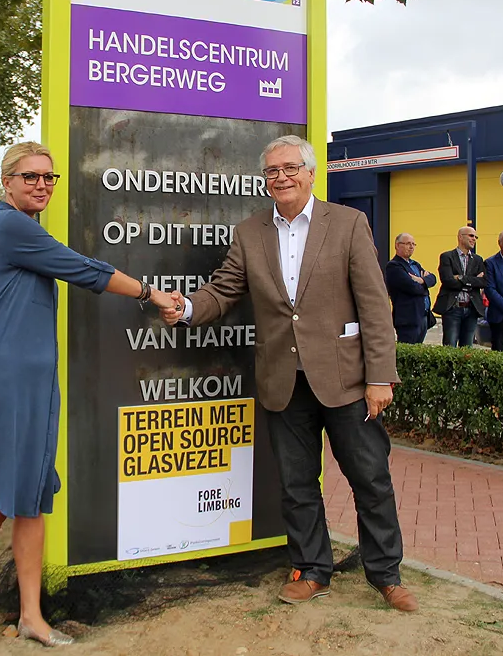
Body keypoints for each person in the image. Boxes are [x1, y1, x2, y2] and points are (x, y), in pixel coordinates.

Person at [163, 135, 416, 612]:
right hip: (283, 379)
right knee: (298, 485)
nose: (280, 177)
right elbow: (223, 291)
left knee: (370, 479)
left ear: (311, 172)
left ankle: (385, 574)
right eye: (271, 171)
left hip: (346, 380)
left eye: (289, 168)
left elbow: (375, 307)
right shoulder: (250, 232)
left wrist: (380, 376)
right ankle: (312, 569)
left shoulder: (347, 223)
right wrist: (185, 309)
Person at [0, 141, 179, 647]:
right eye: (30, 176)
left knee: (32, 499)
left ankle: (32, 616)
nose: (42, 185)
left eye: (49, 178)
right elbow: (85, 269)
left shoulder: (28, 228)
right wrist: (151, 294)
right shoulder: (6, 226)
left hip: (36, 384)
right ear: (7, 182)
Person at [431, 227, 486, 347]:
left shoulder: (477, 260)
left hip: (471, 308)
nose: (474, 239)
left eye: (475, 237)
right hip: (453, 308)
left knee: (467, 348)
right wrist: (472, 281)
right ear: (461, 237)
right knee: (450, 346)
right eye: (471, 236)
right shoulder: (447, 256)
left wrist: (461, 278)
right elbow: (448, 280)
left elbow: (483, 282)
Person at [385, 233, 437, 344]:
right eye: (408, 243)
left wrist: (422, 281)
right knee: (409, 353)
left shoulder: (415, 264)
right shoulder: (394, 266)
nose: (411, 247)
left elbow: (433, 278)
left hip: (423, 316)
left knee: (418, 353)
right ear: (397, 245)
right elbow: (413, 288)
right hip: (408, 319)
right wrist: (425, 286)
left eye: (413, 244)